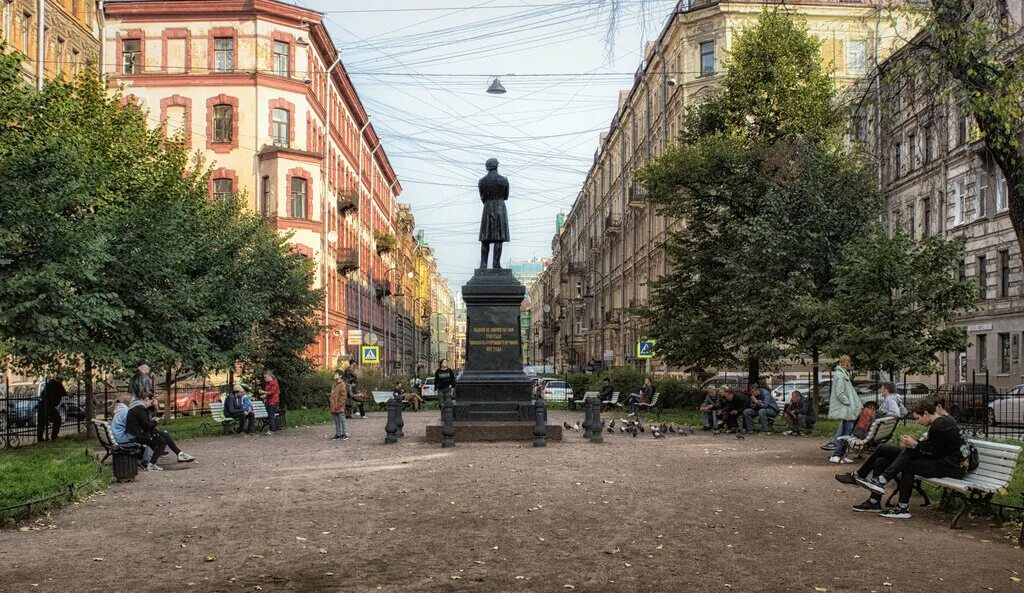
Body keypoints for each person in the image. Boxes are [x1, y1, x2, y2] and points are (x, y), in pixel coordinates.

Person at [837, 397, 968, 519]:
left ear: (926, 413)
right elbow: (934, 448)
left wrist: (915, 444)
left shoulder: (939, 424)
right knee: (881, 458)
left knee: (909, 463)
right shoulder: (941, 422)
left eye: (917, 419)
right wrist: (915, 444)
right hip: (945, 462)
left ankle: (901, 507)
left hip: (951, 466)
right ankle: (874, 499)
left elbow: (934, 453)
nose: (917, 422)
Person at [826, 355, 862, 464]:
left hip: (848, 409)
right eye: (849, 362)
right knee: (847, 433)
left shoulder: (842, 374)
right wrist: (849, 403)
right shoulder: (840, 375)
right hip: (847, 408)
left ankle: (842, 455)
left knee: (847, 432)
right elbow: (839, 393)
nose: (850, 364)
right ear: (845, 362)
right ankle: (837, 455)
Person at [142, 397, 195, 463]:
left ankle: (179, 454)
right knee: (164, 438)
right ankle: (152, 463)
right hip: (142, 434)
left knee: (165, 435)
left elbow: (147, 423)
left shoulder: (146, 409)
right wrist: (154, 421)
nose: (154, 402)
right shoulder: (141, 409)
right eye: (152, 401)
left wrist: (154, 416)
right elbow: (147, 425)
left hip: (147, 432)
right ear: (146, 400)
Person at [125, 391, 167, 471]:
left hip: (132, 434)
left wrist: (152, 422)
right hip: (135, 436)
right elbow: (147, 426)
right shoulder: (140, 408)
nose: (151, 404)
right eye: (151, 402)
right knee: (162, 441)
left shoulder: (136, 407)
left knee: (157, 439)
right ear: (147, 399)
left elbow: (144, 423)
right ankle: (151, 464)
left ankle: (147, 461)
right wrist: (155, 421)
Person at [36, 378, 66, 442]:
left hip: (46, 406)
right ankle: (52, 436)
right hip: (47, 406)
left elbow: (63, 393)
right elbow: (63, 393)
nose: (62, 382)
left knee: (43, 422)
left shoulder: (51, 384)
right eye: (61, 380)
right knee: (55, 420)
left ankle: (42, 437)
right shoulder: (55, 385)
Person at [329, 370, 349, 441]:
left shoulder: (342, 384)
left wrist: (338, 405)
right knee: (336, 421)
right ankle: (338, 434)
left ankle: (344, 434)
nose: (334, 375)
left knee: (342, 420)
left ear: (340, 376)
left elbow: (343, 397)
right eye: (334, 374)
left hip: (339, 407)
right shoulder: (334, 384)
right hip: (333, 406)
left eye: (336, 374)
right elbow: (333, 395)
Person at [262, 371, 281, 435]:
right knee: (270, 416)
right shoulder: (267, 383)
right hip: (269, 401)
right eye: (264, 377)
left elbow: (272, 392)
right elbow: (268, 392)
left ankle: (273, 430)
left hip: (274, 401)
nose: (265, 379)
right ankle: (271, 429)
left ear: (270, 377)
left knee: (271, 416)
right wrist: (265, 395)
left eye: (266, 377)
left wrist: (264, 392)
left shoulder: (273, 383)